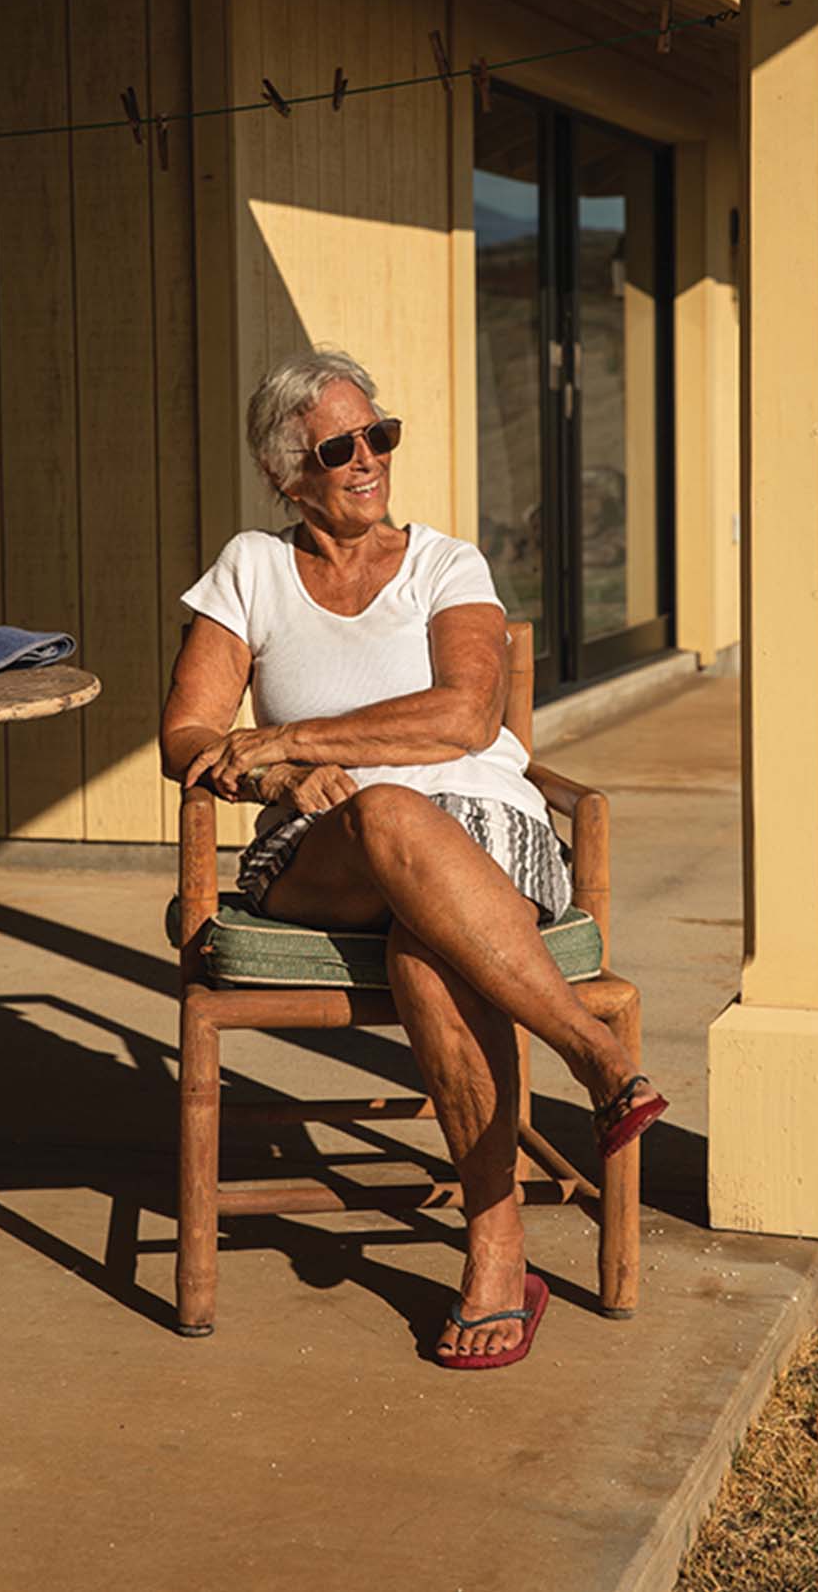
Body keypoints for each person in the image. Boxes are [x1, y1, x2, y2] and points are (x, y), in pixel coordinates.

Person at [160, 349, 667, 1367]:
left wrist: (293, 737)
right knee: (388, 813)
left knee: (426, 950)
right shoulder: (250, 572)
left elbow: (463, 716)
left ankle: (495, 1258)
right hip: (321, 854)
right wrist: (263, 779)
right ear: (284, 474)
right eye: (336, 447)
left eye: (377, 435)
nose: (366, 460)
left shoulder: (446, 564)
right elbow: (185, 735)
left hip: (484, 832)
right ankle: (588, 1051)